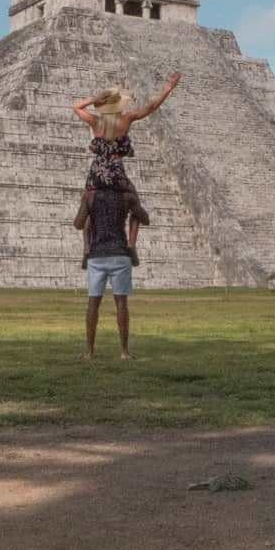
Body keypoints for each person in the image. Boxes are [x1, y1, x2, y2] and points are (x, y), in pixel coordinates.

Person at [71, 73, 181, 268]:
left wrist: (93, 100)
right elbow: (151, 106)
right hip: (116, 171)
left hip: (97, 171)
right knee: (134, 204)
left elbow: (75, 107)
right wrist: (168, 87)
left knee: (88, 207)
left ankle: (87, 248)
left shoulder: (96, 122)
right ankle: (131, 245)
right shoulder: (127, 119)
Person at [73, 179, 150, 360]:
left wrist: (87, 205)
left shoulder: (90, 195)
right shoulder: (125, 195)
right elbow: (145, 218)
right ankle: (124, 352)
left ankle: (89, 352)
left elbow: (78, 224)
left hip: (96, 255)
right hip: (120, 254)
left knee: (93, 304)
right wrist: (134, 205)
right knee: (121, 304)